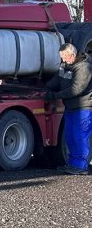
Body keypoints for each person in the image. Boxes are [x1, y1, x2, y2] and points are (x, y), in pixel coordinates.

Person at [44, 42, 92, 174]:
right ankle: (73, 164)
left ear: (73, 55)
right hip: (71, 107)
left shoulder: (84, 67)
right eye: (61, 57)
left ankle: (81, 166)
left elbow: (76, 89)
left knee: (79, 136)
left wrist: (55, 95)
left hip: (83, 107)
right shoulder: (65, 66)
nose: (63, 60)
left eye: (65, 57)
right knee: (70, 137)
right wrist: (46, 88)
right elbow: (56, 80)